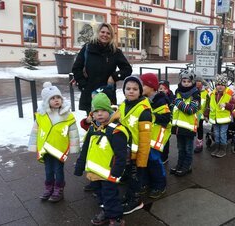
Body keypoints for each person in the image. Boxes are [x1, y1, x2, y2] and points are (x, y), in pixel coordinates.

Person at [74, 93, 127, 226]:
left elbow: (121, 154)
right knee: (100, 195)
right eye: (96, 111)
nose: (99, 114)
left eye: (103, 110)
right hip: (95, 172)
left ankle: (116, 218)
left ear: (109, 111)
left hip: (109, 172)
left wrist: (117, 171)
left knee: (110, 196)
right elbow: (85, 149)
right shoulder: (92, 128)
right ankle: (105, 212)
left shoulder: (115, 131)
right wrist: (79, 166)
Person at [28, 82, 79, 202]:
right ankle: (49, 188)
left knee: (58, 169)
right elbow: (35, 130)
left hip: (59, 148)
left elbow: (73, 132)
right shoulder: (41, 115)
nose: (56, 100)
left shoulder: (67, 115)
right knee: (48, 170)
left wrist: (74, 147)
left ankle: (59, 189)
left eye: (58, 98)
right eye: (52, 98)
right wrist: (33, 145)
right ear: (46, 101)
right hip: (45, 147)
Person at [72, 22, 133, 114]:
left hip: (108, 93)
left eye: (108, 33)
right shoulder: (88, 48)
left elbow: (127, 69)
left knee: (108, 124)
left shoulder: (115, 52)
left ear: (111, 36)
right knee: (91, 123)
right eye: (103, 32)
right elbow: (76, 68)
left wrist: (114, 77)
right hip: (90, 93)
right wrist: (84, 85)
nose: (105, 35)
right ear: (98, 33)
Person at [118, 76, 152, 215]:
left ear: (140, 91)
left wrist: (142, 159)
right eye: (128, 88)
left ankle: (136, 201)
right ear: (124, 90)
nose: (131, 91)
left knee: (136, 177)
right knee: (129, 178)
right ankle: (129, 196)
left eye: (135, 89)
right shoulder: (124, 105)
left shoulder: (144, 111)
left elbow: (145, 139)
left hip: (138, 153)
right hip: (126, 152)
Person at [140, 73, 171, 199]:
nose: (139, 87)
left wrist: (150, 116)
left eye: (142, 85)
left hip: (157, 134)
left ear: (151, 87)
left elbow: (166, 118)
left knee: (154, 160)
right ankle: (148, 182)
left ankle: (160, 185)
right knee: (145, 159)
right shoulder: (143, 99)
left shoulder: (161, 100)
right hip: (147, 133)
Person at [170, 69, 200, 176]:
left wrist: (178, 102)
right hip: (178, 127)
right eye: (184, 81)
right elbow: (173, 106)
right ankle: (179, 164)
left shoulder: (195, 94)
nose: (186, 84)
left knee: (188, 149)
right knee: (180, 148)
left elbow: (191, 109)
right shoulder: (178, 92)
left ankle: (187, 166)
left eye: (188, 81)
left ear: (192, 82)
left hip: (188, 127)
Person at [205, 74, 235, 158]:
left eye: (222, 85)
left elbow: (233, 106)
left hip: (224, 119)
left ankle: (222, 149)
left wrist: (226, 105)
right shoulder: (212, 94)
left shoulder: (229, 94)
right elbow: (209, 105)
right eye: (218, 84)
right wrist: (206, 115)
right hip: (215, 118)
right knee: (216, 134)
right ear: (216, 85)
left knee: (222, 134)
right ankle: (217, 148)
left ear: (225, 85)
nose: (220, 86)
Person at [158, 80, 175, 164]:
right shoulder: (156, 97)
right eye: (159, 88)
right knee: (158, 140)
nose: (161, 90)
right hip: (159, 122)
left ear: (167, 90)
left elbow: (172, 110)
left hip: (167, 123)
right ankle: (159, 156)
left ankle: (164, 157)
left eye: (163, 88)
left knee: (165, 140)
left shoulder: (171, 98)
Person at [194, 74, 210, 153]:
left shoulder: (205, 92)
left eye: (199, 81)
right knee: (192, 129)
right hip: (192, 113)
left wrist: (206, 115)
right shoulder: (192, 90)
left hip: (200, 114)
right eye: (196, 81)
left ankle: (199, 145)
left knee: (199, 129)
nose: (198, 83)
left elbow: (207, 104)